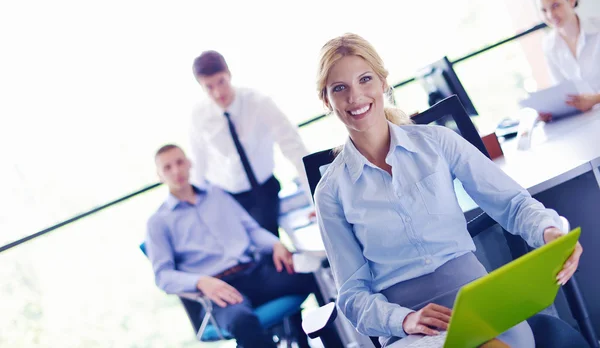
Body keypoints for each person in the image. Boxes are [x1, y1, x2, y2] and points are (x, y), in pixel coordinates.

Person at [312, 33, 583, 347]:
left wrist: (550, 233)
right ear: (326, 100)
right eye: (339, 88)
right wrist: (404, 320)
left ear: (384, 83)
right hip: (410, 329)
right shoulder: (330, 192)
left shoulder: (437, 142)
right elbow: (352, 295)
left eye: (365, 79)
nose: (355, 97)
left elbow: (512, 204)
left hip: (480, 304)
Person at [146, 144, 318, 348]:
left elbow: (252, 230)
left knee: (316, 276)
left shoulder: (216, 195)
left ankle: (318, 341)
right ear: (159, 175)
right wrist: (201, 282)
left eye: (179, 162)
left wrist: (275, 244)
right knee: (242, 321)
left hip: (254, 273)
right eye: (167, 168)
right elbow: (163, 276)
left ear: (189, 163)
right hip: (219, 289)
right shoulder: (158, 222)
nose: (176, 171)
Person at [190, 50, 314, 236]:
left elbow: (296, 151)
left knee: (270, 247)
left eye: (221, 82)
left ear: (229, 74)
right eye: (209, 87)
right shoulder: (199, 116)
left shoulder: (259, 103)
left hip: (264, 191)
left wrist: (316, 201)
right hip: (226, 198)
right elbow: (198, 167)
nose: (217, 92)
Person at [537, 0, 600, 118]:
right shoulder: (549, 45)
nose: (550, 15)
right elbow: (562, 93)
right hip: (584, 119)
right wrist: (551, 111)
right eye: (544, 10)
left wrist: (596, 99)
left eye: (555, 6)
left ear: (571, 0)